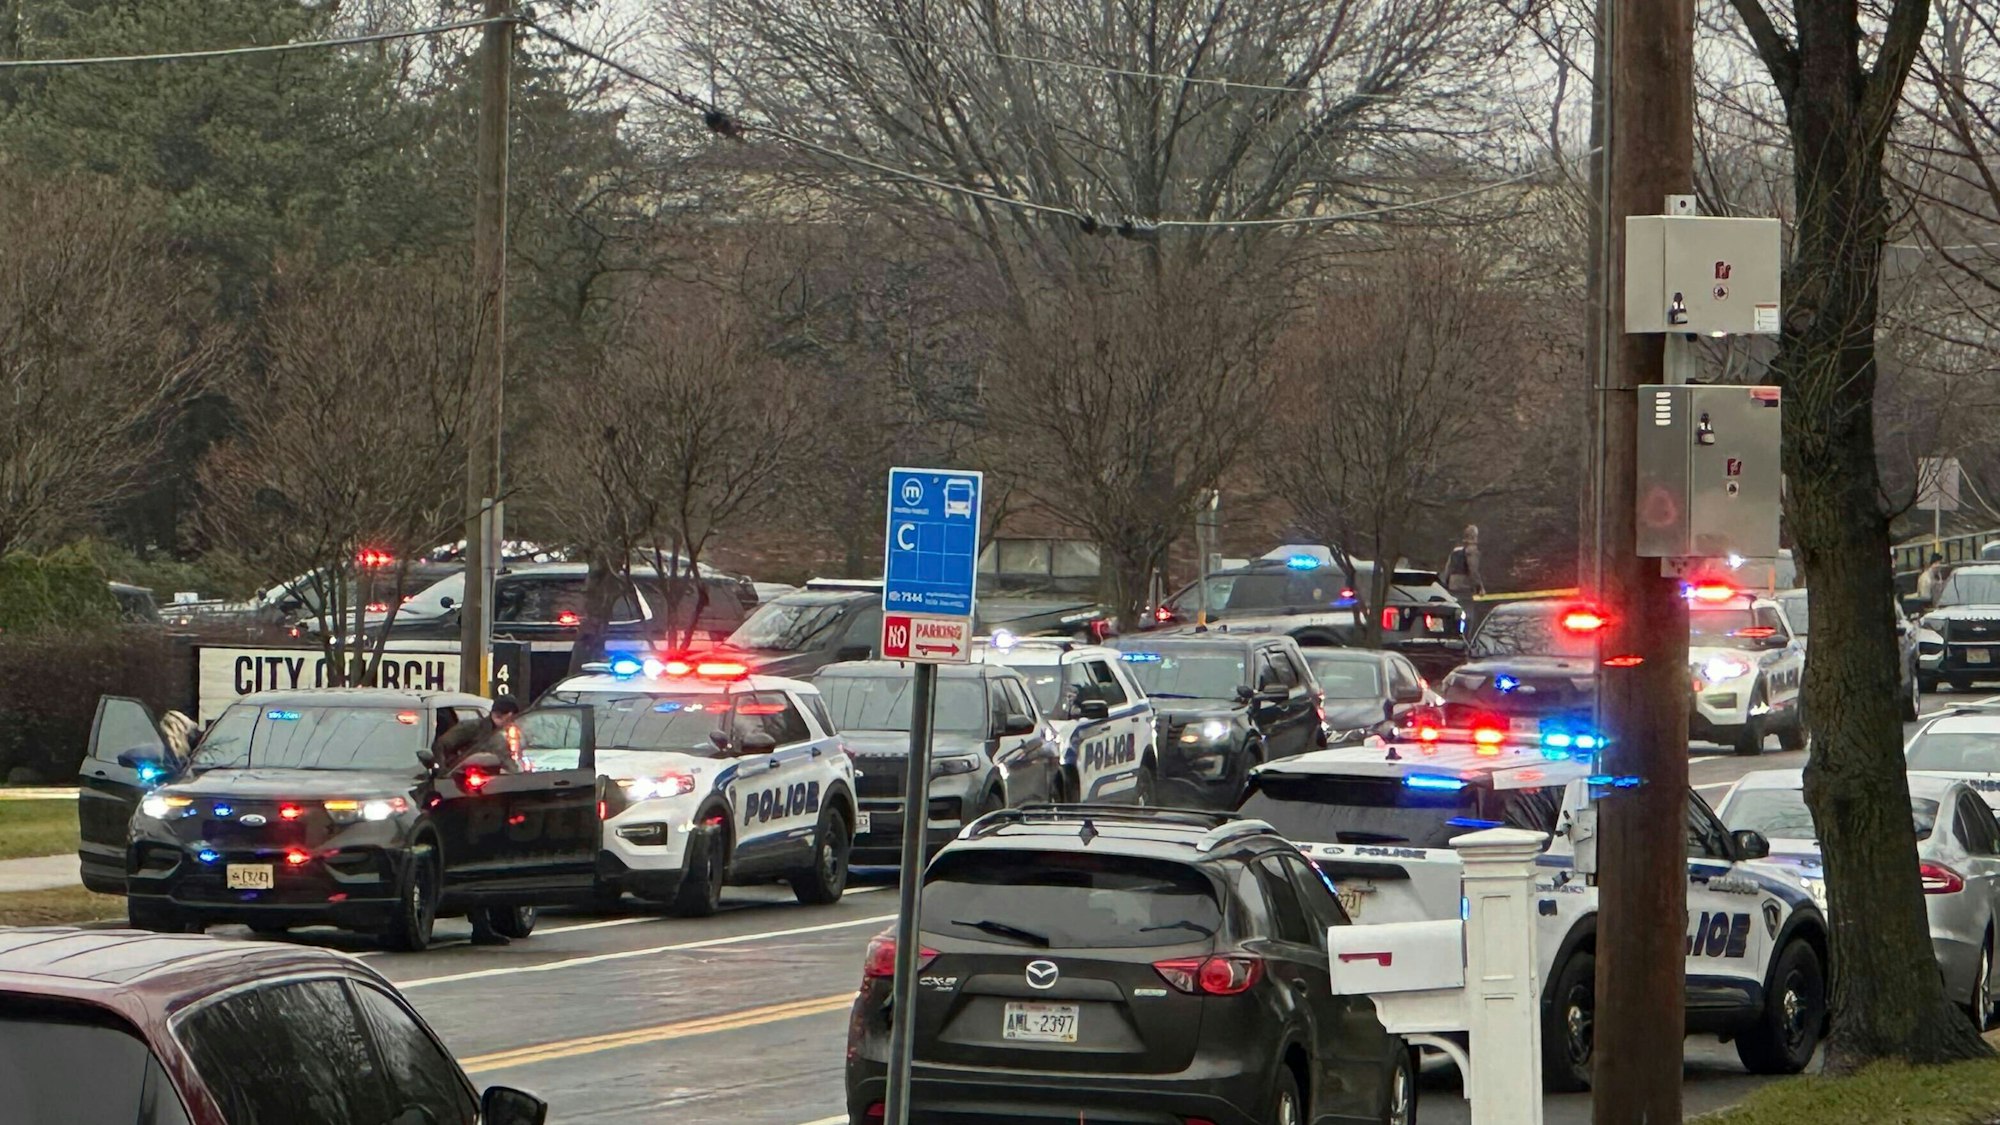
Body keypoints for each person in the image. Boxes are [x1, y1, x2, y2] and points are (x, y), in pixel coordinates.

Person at [430, 698, 521, 945]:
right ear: (506, 715)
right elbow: (442, 746)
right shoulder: (473, 729)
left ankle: (484, 925)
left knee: (487, 864)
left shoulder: (500, 736)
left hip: (491, 801)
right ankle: (479, 925)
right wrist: (446, 775)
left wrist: (521, 780)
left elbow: (509, 765)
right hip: (468, 802)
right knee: (474, 861)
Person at [1442, 524, 1485, 625]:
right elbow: (1473, 570)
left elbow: (1447, 570)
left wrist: (1445, 585)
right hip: (1465, 587)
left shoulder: (1455, 551)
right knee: (1468, 616)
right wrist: (1480, 587)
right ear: (1474, 536)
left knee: (1454, 614)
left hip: (1452, 587)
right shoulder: (1472, 551)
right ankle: (1466, 633)